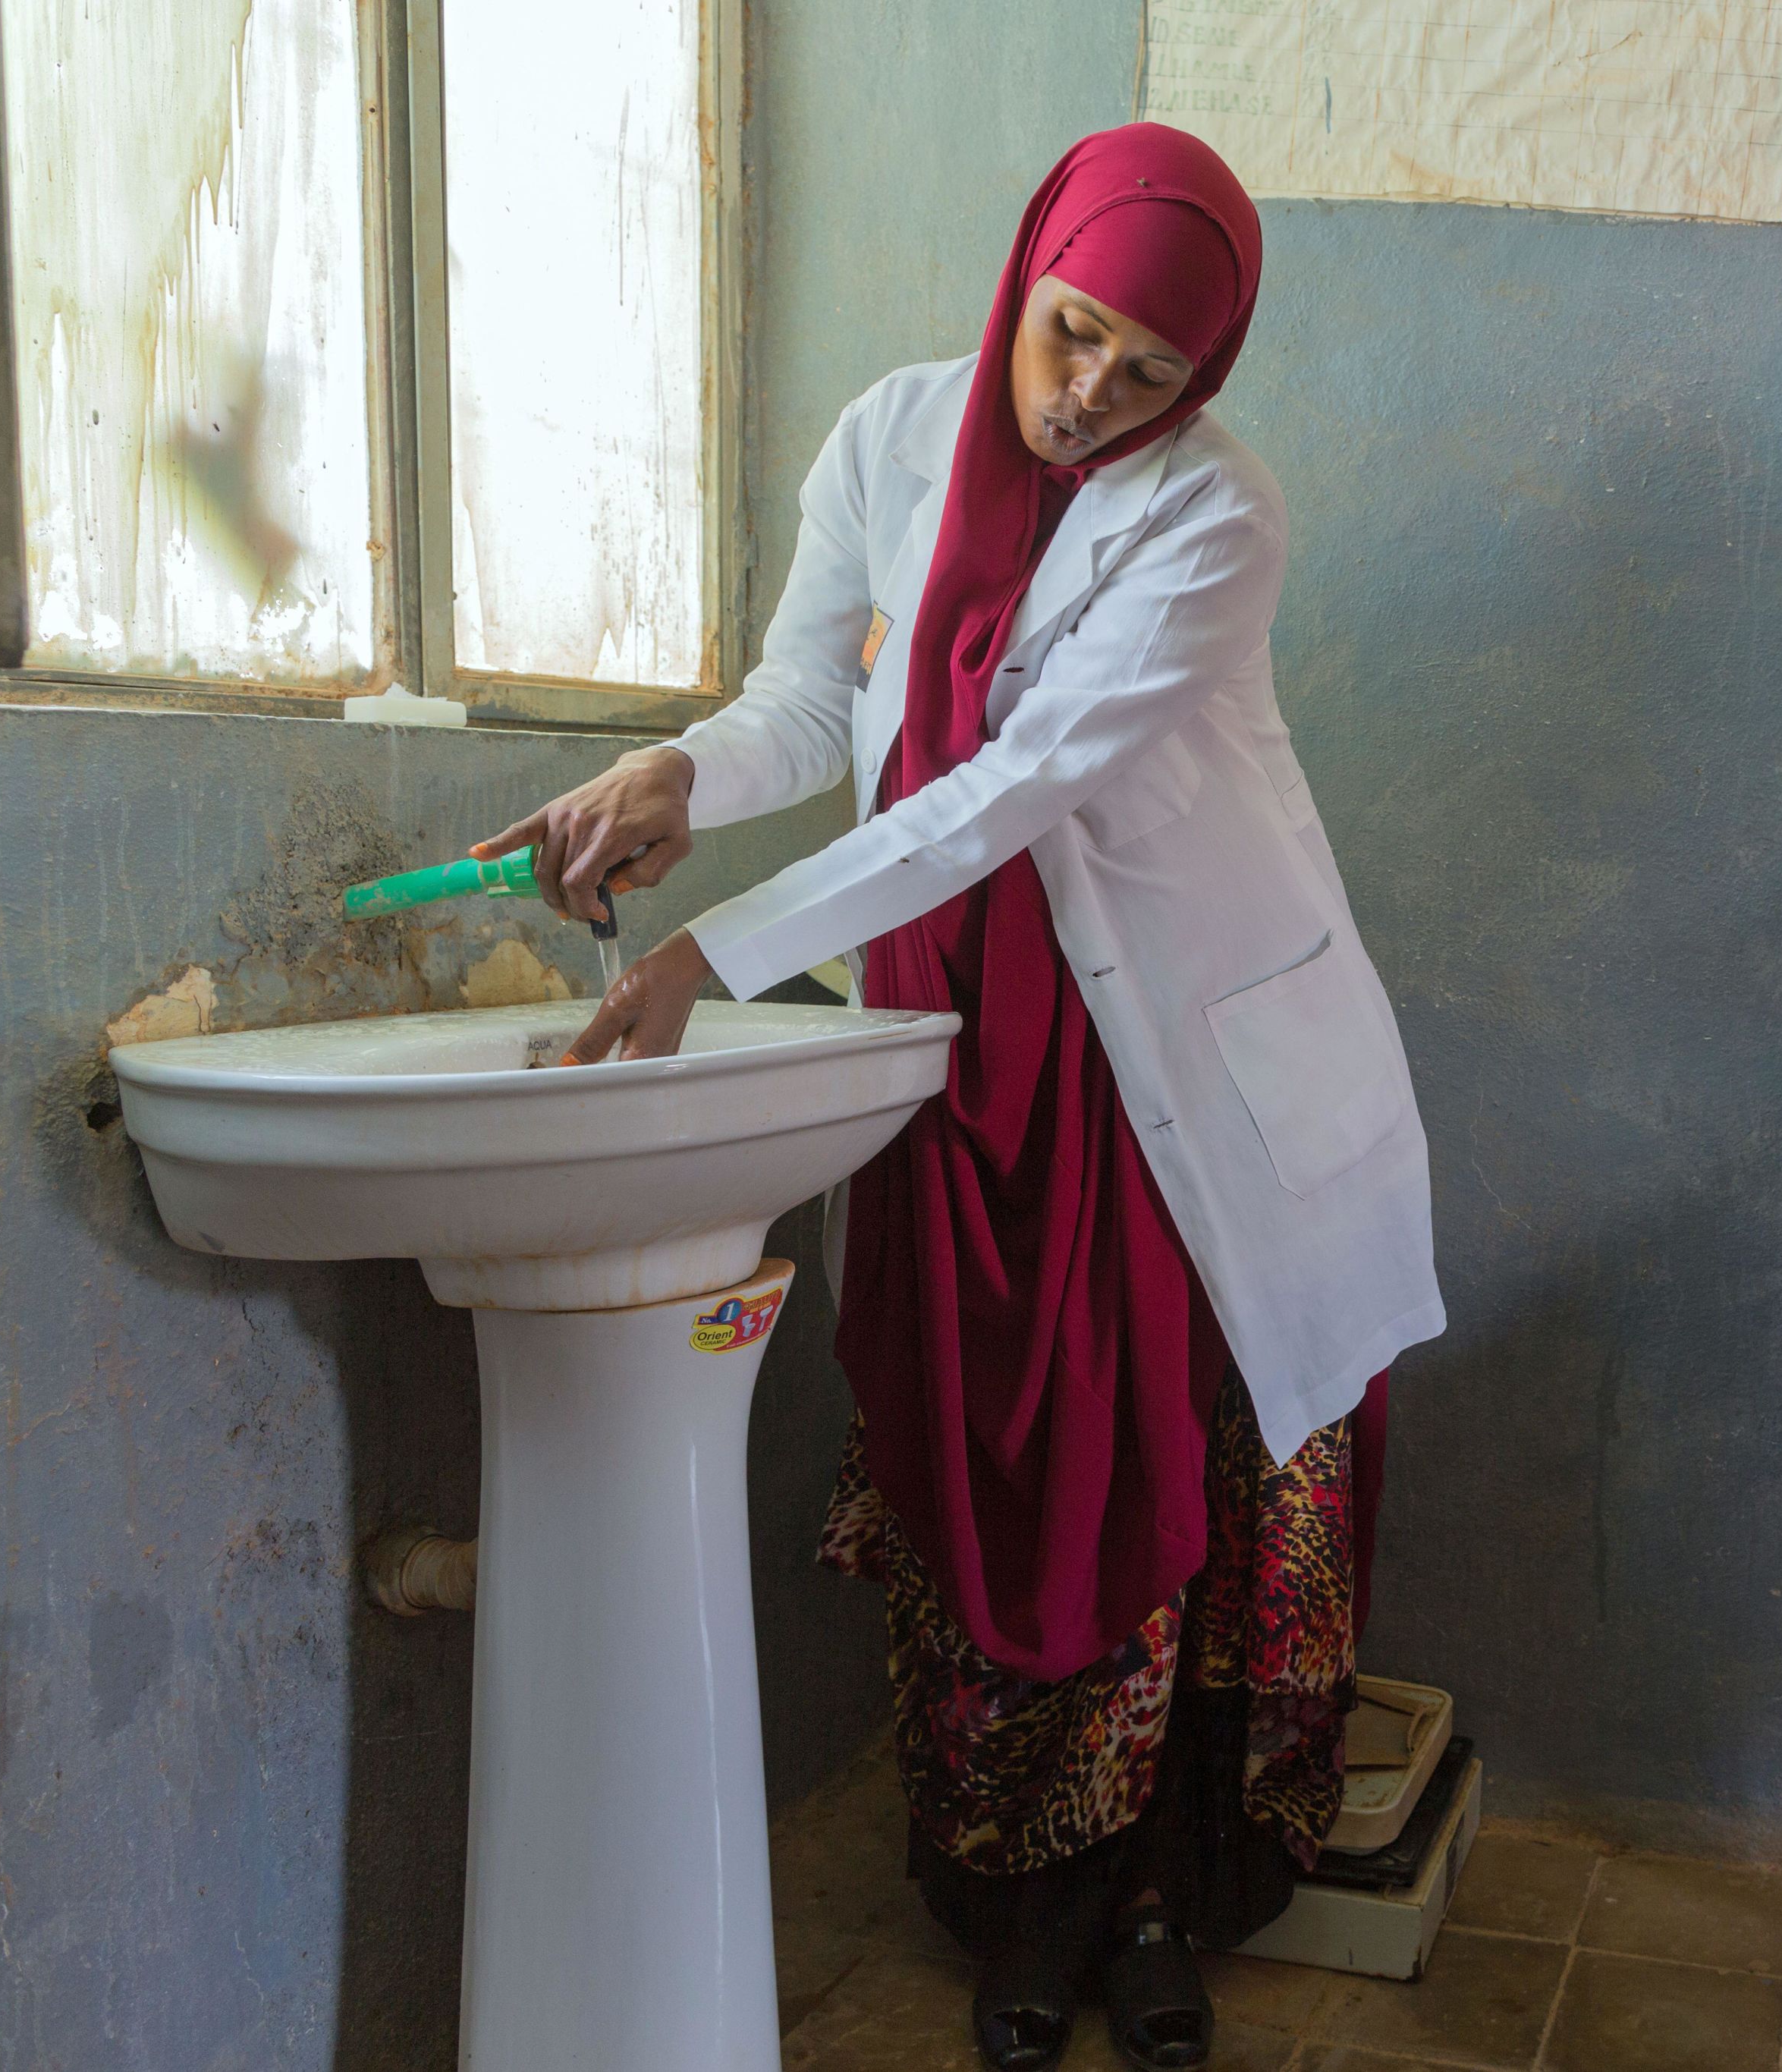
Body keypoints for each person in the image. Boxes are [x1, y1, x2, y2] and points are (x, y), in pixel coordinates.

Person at [475, 126, 1443, 2071]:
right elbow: (821, 704)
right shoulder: (891, 435)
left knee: (1177, 1457)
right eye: (1070, 334)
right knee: (994, 1452)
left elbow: (1012, 789)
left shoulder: (1214, 519)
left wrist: (714, 950)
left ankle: (1161, 1904)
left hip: (1174, 1064)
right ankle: (1020, 1903)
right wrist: (679, 770)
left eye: (1145, 373)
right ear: (1030, 279)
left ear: (1206, 381)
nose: (1089, 393)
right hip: (955, 1047)